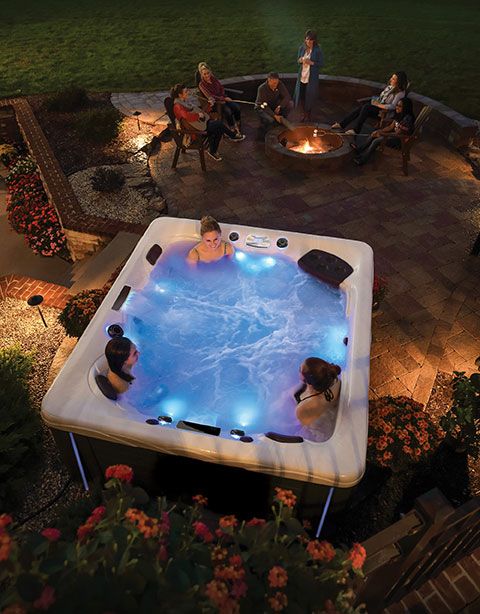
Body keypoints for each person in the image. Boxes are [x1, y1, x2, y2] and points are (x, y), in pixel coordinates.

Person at [171, 83, 245, 163]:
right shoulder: (177, 106)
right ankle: (232, 136)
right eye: (185, 92)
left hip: (200, 125)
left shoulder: (186, 102)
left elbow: (202, 113)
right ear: (180, 95)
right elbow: (186, 116)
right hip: (195, 132)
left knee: (218, 128)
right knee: (219, 125)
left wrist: (210, 105)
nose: (188, 92)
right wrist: (198, 115)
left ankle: (213, 151)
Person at [331, 71, 408, 135]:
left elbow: (393, 106)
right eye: (392, 77)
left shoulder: (400, 93)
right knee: (362, 107)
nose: (391, 79)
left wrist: (378, 104)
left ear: (399, 82)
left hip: (384, 113)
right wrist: (375, 101)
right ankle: (342, 124)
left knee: (366, 107)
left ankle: (356, 130)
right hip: (379, 106)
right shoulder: (390, 87)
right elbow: (382, 97)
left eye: (394, 79)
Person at [352, 97, 415, 165]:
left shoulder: (407, 119)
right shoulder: (399, 114)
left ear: (406, 108)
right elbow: (391, 127)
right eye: (397, 105)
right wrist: (379, 131)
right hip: (393, 136)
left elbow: (397, 133)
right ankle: (360, 150)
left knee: (376, 141)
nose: (397, 107)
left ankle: (363, 159)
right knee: (374, 134)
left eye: (400, 106)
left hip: (400, 141)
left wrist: (382, 134)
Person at [197, 62, 243, 136]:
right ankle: (231, 127)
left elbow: (221, 88)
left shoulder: (214, 79)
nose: (207, 75)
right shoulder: (201, 85)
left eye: (208, 73)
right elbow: (210, 96)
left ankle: (238, 122)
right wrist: (223, 98)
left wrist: (225, 97)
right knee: (228, 111)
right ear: (201, 74)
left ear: (210, 72)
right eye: (204, 74)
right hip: (216, 103)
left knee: (237, 107)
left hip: (224, 98)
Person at [295, 357, 341, 427]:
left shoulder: (302, 408)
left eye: (299, 369)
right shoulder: (335, 380)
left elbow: (304, 426)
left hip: (318, 427)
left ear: (306, 379)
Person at [294, 29, 324, 122]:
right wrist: (300, 60)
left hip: (311, 78)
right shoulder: (302, 48)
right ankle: (304, 113)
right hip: (302, 76)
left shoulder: (317, 50)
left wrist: (311, 62)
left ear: (314, 40)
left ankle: (308, 114)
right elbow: (298, 60)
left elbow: (321, 63)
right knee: (302, 96)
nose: (308, 42)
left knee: (310, 96)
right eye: (307, 39)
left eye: (311, 40)